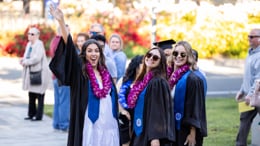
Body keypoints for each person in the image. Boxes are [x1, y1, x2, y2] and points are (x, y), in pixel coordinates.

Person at [49, 5, 120, 146]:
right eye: (89, 51)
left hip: (108, 123)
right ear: (84, 54)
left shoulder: (105, 72)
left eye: (96, 51)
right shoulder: (80, 73)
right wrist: (62, 22)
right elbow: (68, 45)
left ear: (100, 54)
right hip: (89, 123)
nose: (93, 54)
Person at [127, 47, 175, 146]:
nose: (151, 58)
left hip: (150, 136)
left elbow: (158, 112)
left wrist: (155, 139)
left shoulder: (158, 82)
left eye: (155, 57)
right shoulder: (143, 80)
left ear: (160, 62)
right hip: (140, 130)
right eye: (149, 55)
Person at [167, 41, 207, 146]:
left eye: (183, 54)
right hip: (171, 128)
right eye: (175, 53)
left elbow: (195, 108)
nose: (178, 56)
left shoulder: (192, 79)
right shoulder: (169, 76)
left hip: (185, 130)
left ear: (188, 56)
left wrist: (192, 133)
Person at [235, 28, 260, 146]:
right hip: (248, 96)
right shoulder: (250, 53)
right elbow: (248, 76)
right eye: (248, 36)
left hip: (257, 96)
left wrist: (250, 94)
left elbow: (258, 79)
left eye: (252, 36)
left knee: (244, 120)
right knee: (244, 120)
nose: (248, 38)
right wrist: (242, 90)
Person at [21, 27, 50, 121]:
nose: (30, 35)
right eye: (29, 33)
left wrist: (26, 62)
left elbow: (37, 58)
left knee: (39, 94)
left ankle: (38, 116)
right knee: (31, 93)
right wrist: (23, 60)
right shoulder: (29, 44)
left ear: (37, 35)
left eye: (32, 34)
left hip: (39, 73)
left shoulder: (39, 44)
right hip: (31, 73)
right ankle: (31, 114)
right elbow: (27, 56)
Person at [117, 55, 143, 145]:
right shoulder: (124, 80)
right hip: (125, 119)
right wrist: (122, 110)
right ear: (136, 66)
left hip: (140, 119)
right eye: (142, 63)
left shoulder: (147, 82)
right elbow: (116, 98)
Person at [49, 25, 71, 131]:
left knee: (58, 101)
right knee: (64, 101)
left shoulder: (54, 41)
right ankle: (64, 125)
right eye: (68, 30)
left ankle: (56, 123)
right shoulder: (62, 42)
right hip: (63, 77)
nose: (69, 33)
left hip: (55, 76)